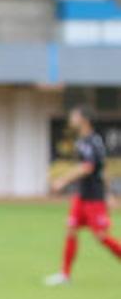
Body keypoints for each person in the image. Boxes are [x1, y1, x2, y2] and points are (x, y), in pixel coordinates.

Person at [45, 105, 120, 285]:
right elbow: (103, 168)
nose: (71, 118)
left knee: (102, 236)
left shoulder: (93, 142)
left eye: (75, 116)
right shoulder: (83, 141)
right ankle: (65, 274)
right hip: (82, 197)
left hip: (94, 198)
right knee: (70, 229)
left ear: (84, 119)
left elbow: (89, 167)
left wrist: (63, 180)